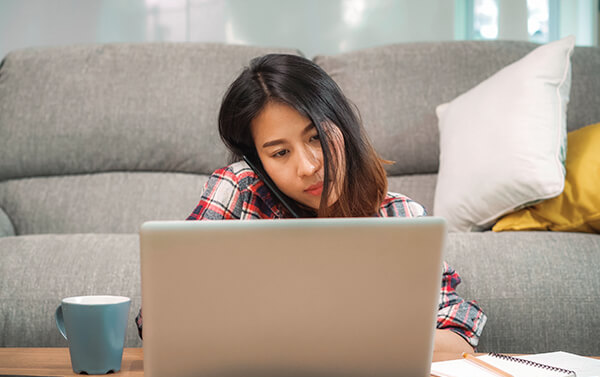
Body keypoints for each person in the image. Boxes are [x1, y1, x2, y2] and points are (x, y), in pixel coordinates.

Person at [136, 54, 486, 353]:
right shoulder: (240, 191)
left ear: (344, 127)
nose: (308, 167)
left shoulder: (402, 216)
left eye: (316, 137)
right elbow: (157, 320)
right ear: (257, 160)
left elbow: (459, 338)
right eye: (280, 153)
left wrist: (341, 340)